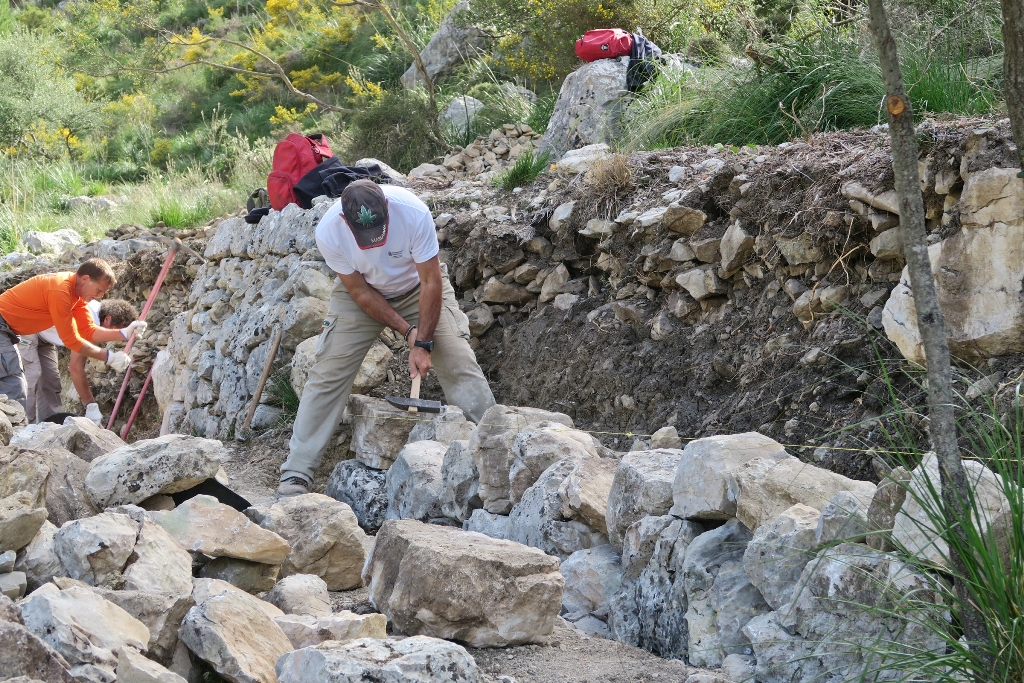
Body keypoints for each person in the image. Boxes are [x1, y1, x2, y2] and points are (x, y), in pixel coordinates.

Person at [278, 179, 496, 496]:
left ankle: (495, 449)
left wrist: (423, 342)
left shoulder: (413, 212)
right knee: (328, 371)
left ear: (387, 208)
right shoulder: (329, 232)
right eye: (366, 237)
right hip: (362, 295)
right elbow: (359, 292)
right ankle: (296, 473)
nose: (375, 243)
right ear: (344, 220)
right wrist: (407, 331)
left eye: (379, 230)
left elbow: (431, 282)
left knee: (458, 361)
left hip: (420, 288)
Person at [0, 258, 147, 412]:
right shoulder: (60, 291)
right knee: (13, 384)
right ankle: (17, 433)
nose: (101, 296)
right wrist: (108, 357)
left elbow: (87, 330)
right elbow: (71, 340)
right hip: (4, 326)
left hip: (11, 329)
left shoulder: (77, 297)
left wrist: (124, 333)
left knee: (43, 383)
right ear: (85, 279)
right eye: (99, 290)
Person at [21, 298, 138, 424]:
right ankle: (22, 428)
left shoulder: (97, 316)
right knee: (32, 377)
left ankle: (49, 428)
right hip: (28, 327)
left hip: (45, 337)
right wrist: (90, 405)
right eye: (118, 331)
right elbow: (76, 368)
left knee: (51, 383)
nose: (113, 338)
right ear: (108, 319)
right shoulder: (89, 320)